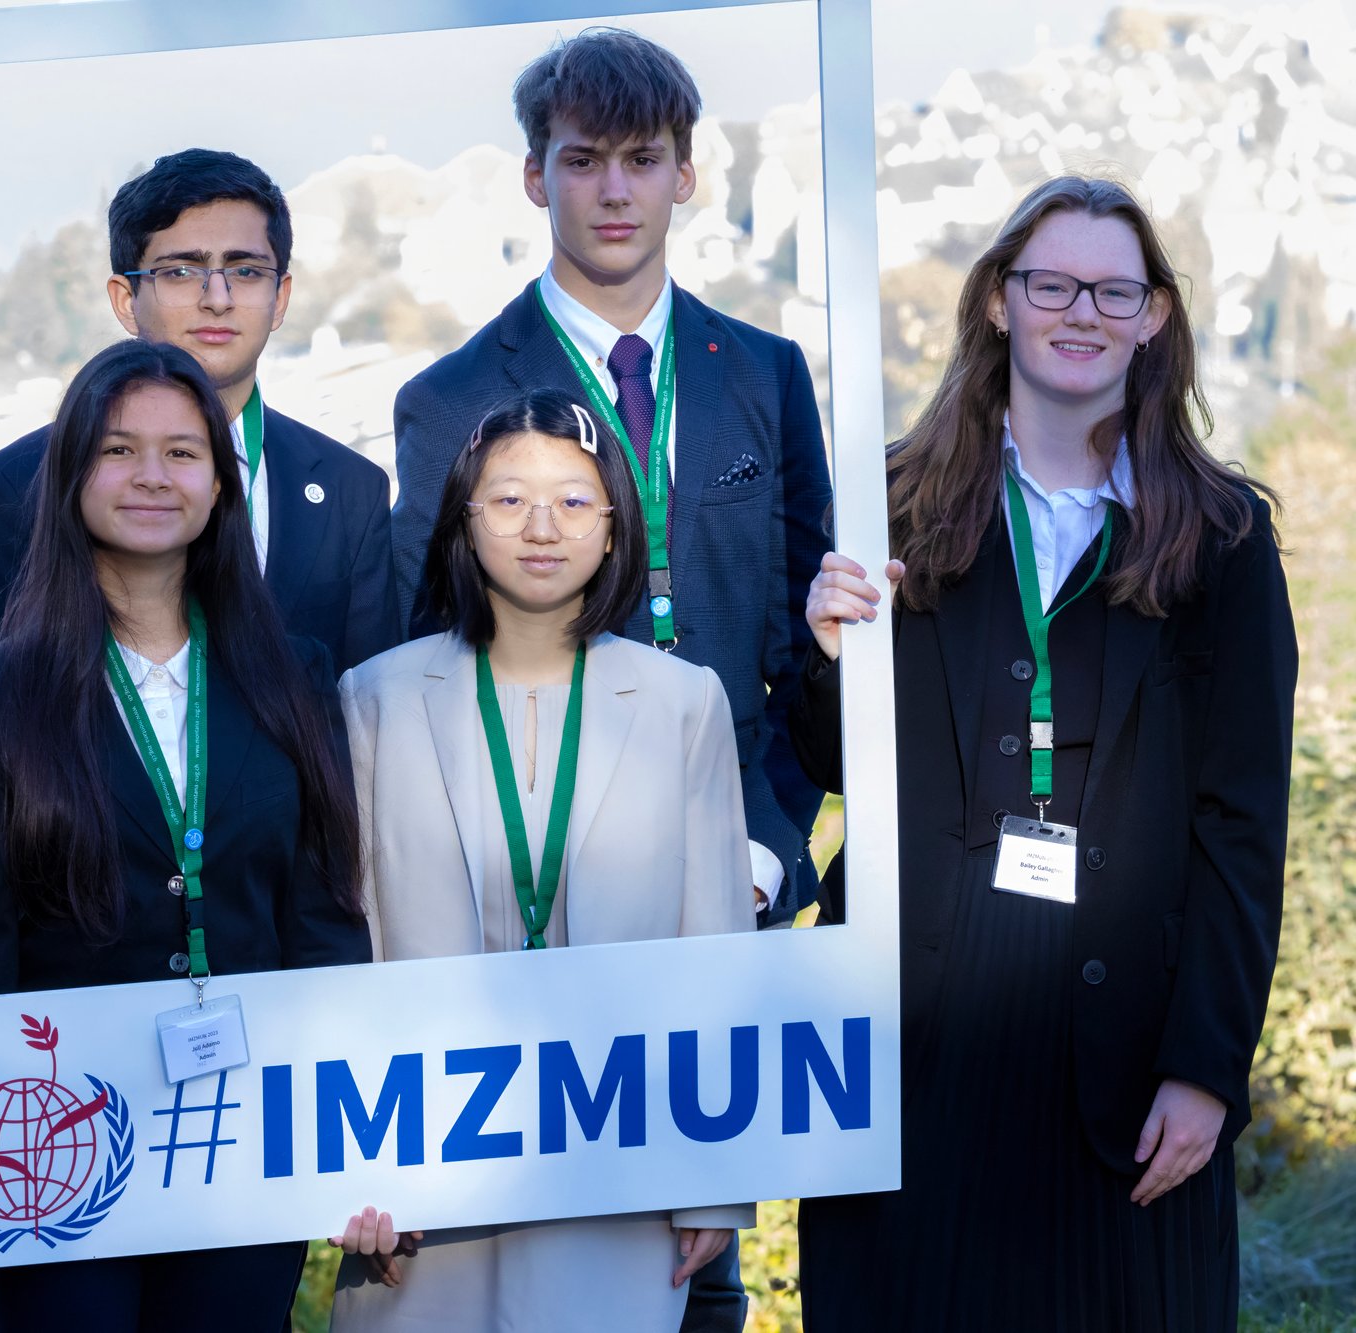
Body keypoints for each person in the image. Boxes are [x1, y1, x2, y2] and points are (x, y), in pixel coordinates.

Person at [794, 176, 1296, 1332]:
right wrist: (826, 652)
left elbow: (1240, 821)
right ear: (996, 305)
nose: (1082, 311)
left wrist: (1206, 1065)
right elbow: (828, 758)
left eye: (1114, 288)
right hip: (913, 1044)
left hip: (1128, 1059)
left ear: (1153, 316)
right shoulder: (889, 505)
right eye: (1051, 283)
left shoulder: (1220, 535)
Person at [0, 338, 371, 1330]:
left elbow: (323, 921)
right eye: (118, 449)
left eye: (182, 453)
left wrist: (347, 1144)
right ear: (69, 477)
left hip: (248, 1142)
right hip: (56, 1155)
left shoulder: (291, 678)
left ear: (221, 485)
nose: (150, 476)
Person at [389, 29, 831, 953]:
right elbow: (427, 659)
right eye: (583, 160)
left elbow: (805, 643)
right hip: (542, 882)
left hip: (747, 864)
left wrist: (766, 839)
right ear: (535, 177)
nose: (616, 191)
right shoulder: (448, 401)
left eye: (643, 159)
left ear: (685, 174)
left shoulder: (767, 374)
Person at [332, 390, 758, 1333]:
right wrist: (351, 1170)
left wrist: (715, 1182)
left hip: (620, 1153)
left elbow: (716, 946)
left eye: (574, 501)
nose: (541, 527)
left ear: (615, 528)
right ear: (463, 521)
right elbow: (349, 944)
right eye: (508, 499)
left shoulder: (684, 700)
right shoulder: (376, 698)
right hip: (421, 1165)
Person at [0, 148, 397, 675]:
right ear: (125, 299)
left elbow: (372, 717)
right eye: (182, 271)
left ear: (280, 298)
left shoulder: (350, 490)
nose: (218, 298)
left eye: (246, 270)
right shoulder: (17, 481)